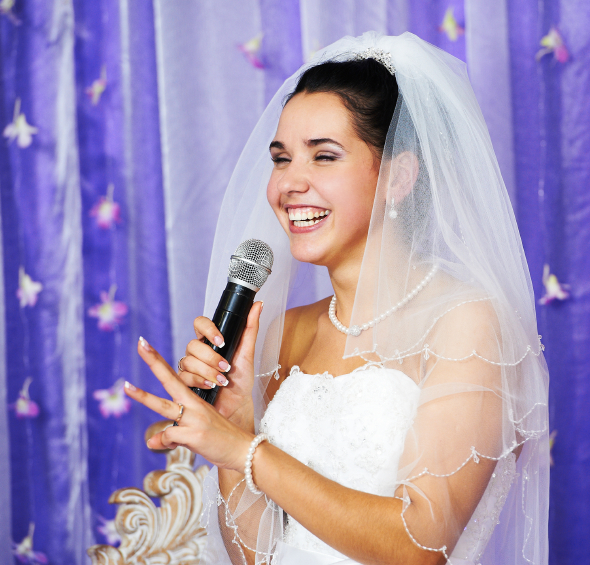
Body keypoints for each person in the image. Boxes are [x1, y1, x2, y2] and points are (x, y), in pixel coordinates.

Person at [124, 32, 549, 565]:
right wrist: (234, 428)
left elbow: (420, 547)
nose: (289, 184)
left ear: (398, 176)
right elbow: (258, 557)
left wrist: (245, 452)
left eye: (324, 156)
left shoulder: (464, 322)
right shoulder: (288, 331)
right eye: (281, 159)